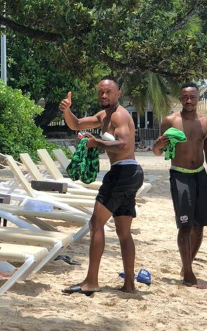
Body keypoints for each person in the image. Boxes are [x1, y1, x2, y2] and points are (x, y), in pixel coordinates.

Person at [59, 77, 144, 295]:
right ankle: (130, 284)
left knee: (96, 225)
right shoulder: (103, 116)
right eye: (100, 92)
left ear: (118, 94)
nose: (104, 96)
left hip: (123, 172)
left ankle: (91, 281)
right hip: (129, 172)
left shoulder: (119, 116)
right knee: (123, 232)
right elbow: (76, 124)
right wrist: (67, 110)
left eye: (108, 92)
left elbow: (124, 144)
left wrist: (97, 143)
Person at [153, 82, 207, 289]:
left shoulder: (206, 123)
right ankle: (189, 276)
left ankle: (187, 266)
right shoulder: (170, 121)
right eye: (185, 97)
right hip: (180, 176)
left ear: (198, 98)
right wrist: (157, 146)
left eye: (192, 96)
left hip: (200, 175)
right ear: (180, 98)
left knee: (199, 226)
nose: (189, 100)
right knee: (185, 226)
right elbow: (159, 152)